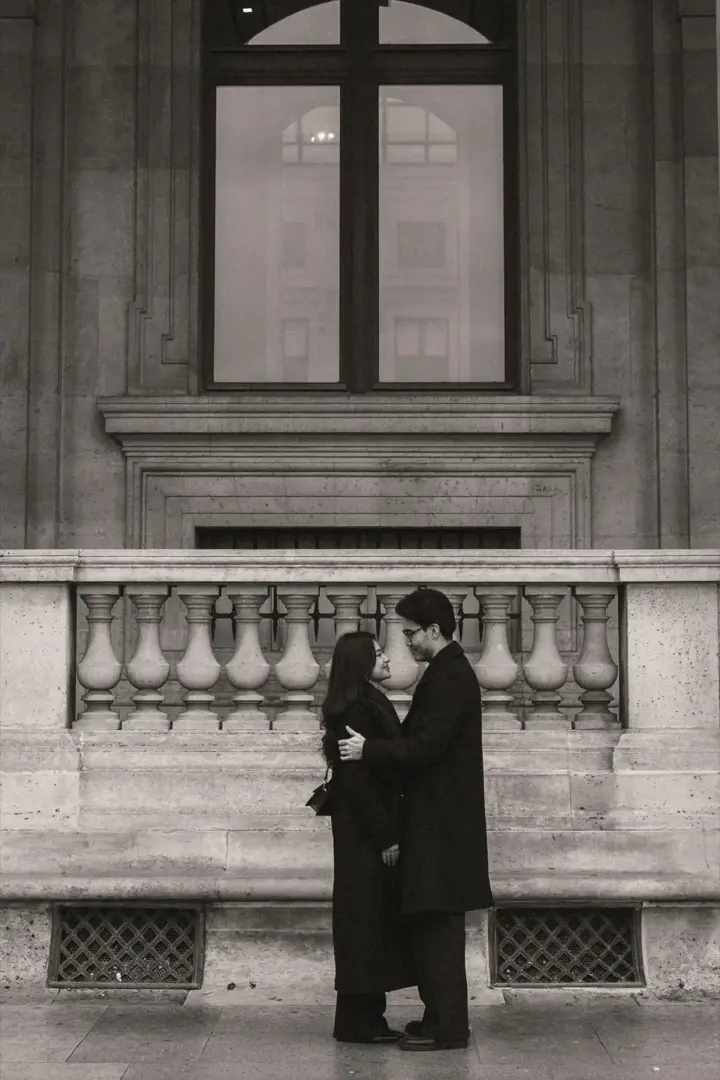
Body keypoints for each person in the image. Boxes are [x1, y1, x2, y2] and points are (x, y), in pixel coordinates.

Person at [338, 588, 492, 1052]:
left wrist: (370, 749)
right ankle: (438, 1019)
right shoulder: (445, 672)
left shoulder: (449, 678)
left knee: (438, 928)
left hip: (441, 827)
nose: (405, 642)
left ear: (434, 631)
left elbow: (427, 748)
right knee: (430, 924)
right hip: (437, 824)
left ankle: (448, 1028)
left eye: (410, 633)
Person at [321, 631, 416, 1044]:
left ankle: (363, 1018)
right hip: (364, 831)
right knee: (364, 920)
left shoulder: (360, 701)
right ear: (361, 662)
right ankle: (360, 1021)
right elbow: (359, 783)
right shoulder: (357, 708)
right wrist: (386, 837)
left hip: (361, 828)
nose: (388, 659)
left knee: (367, 920)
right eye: (378, 654)